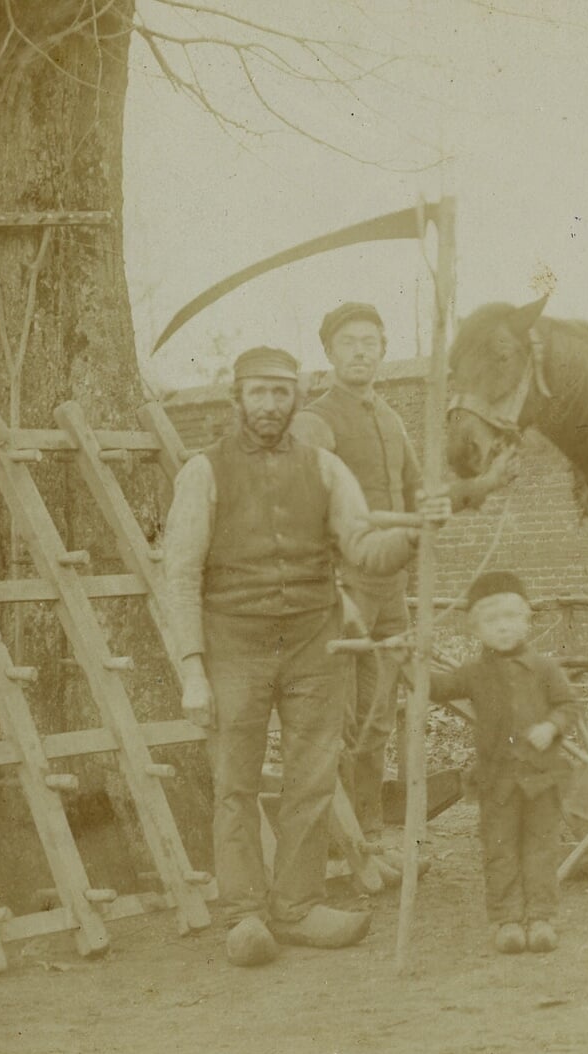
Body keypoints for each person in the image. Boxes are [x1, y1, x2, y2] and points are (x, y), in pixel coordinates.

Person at [162, 345, 449, 967]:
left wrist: (415, 530)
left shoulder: (325, 468)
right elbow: (180, 574)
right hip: (233, 645)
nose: (269, 404)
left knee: (312, 778)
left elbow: (365, 552)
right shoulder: (203, 473)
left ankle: (297, 907)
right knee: (234, 783)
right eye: (258, 392)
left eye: (280, 392)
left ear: (296, 398)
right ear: (236, 398)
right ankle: (242, 916)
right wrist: (191, 667)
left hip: (315, 645)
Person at [291, 301, 514, 880]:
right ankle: (334, 846)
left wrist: (483, 484)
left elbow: (422, 495)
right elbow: (299, 501)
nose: (361, 352)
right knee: (336, 717)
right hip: (342, 587)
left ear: (384, 351)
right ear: (329, 353)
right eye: (349, 343)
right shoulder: (317, 420)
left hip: (390, 588)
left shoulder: (389, 419)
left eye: (371, 341)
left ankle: (369, 835)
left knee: (379, 717)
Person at [417, 571, 581, 955]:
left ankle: (541, 918)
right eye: (492, 620)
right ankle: (507, 919)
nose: (503, 627)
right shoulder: (473, 674)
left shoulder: (544, 669)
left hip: (541, 778)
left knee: (540, 847)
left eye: (511, 617)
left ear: (526, 621)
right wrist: (410, 662)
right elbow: (437, 688)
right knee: (500, 849)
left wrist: (552, 725)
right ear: (476, 629)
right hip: (497, 781)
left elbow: (569, 705)